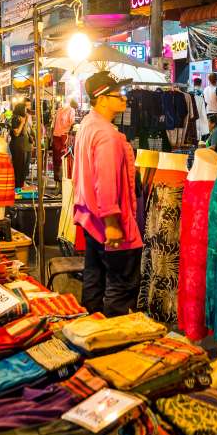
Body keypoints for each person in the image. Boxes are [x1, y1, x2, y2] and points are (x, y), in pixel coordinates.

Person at [72, 72, 141, 316]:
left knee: (94, 277)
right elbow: (106, 181)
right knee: (121, 286)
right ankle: (113, 339)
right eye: (119, 94)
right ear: (102, 99)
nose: (124, 99)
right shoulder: (107, 135)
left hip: (90, 218)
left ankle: (90, 330)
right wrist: (112, 222)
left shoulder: (87, 126)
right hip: (108, 223)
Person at [51, 98, 77, 185]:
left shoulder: (61, 110)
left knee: (59, 160)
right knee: (62, 160)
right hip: (62, 137)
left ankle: (59, 183)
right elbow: (72, 123)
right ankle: (60, 182)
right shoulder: (69, 110)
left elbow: (54, 125)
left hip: (59, 136)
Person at [10, 102, 32, 191]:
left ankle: (20, 184)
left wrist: (25, 121)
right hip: (17, 144)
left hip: (22, 144)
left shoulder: (22, 118)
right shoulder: (15, 118)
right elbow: (16, 133)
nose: (26, 111)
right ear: (21, 109)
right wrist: (22, 122)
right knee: (18, 166)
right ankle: (17, 186)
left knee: (22, 166)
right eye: (25, 109)